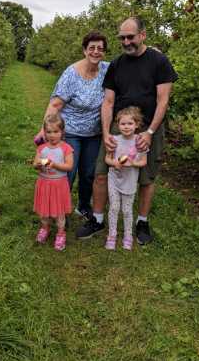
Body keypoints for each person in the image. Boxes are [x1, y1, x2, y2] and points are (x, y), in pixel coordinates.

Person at [76, 16, 178, 244]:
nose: (126, 42)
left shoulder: (159, 61)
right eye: (122, 38)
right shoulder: (117, 64)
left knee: (146, 177)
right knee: (102, 172)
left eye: (130, 37)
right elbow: (108, 102)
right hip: (118, 127)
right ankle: (98, 219)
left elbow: (163, 101)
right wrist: (106, 133)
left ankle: (142, 222)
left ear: (142, 35)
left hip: (148, 127)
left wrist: (150, 132)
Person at [35, 31, 109, 219]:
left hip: (94, 133)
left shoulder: (107, 70)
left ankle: (83, 206)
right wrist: (44, 129)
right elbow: (55, 104)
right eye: (91, 48)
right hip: (72, 132)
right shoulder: (71, 74)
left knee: (89, 173)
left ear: (104, 52)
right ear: (84, 50)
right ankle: (60, 210)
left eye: (100, 48)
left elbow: (129, 67)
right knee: (67, 172)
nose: (95, 51)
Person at [105, 106, 147, 251]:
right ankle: (112, 235)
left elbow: (143, 162)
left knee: (127, 210)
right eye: (123, 124)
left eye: (130, 123)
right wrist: (115, 162)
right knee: (114, 207)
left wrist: (133, 163)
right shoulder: (114, 140)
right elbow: (107, 159)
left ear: (137, 125)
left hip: (129, 181)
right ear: (118, 125)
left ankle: (128, 236)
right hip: (114, 179)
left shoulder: (140, 141)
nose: (126, 127)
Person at [33, 114, 74, 251]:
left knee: (58, 212)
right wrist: (38, 165)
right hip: (44, 183)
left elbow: (69, 166)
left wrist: (55, 165)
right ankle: (45, 228)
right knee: (44, 211)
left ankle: (61, 233)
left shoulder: (66, 148)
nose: (52, 135)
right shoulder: (41, 148)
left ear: (62, 132)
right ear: (44, 132)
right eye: (49, 132)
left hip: (59, 185)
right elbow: (35, 164)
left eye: (56, 131)